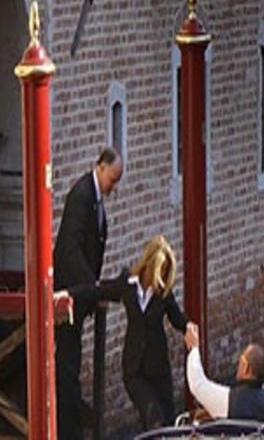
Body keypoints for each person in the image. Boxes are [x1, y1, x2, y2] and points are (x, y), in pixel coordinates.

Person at [53, 145, 122, 440]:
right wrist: (90, 288)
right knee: (67, 362)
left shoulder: (94, 200)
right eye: (113, 179)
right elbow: (70, 250)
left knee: (72, 360)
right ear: (101, 167)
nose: (113, 186)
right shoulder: (81, 196)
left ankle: (71, 424)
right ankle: (67, 428)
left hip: (80, 292)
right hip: (70, 293)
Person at [94, 236, 190, 431]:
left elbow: (177, 318)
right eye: (160, 270)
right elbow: (100, 290)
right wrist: (69, 293)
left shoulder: (163, 294)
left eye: (165, 272)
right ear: (149, 266)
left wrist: (189, 328)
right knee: (152, 414)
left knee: (167, 420)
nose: (162, 277)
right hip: (134, 369)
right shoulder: (127, 285)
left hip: (158, 369)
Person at [184, 324, 264, 425]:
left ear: (245, 367)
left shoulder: (228, 400)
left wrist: (194, 348)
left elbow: (198, 384)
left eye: (240, 360)